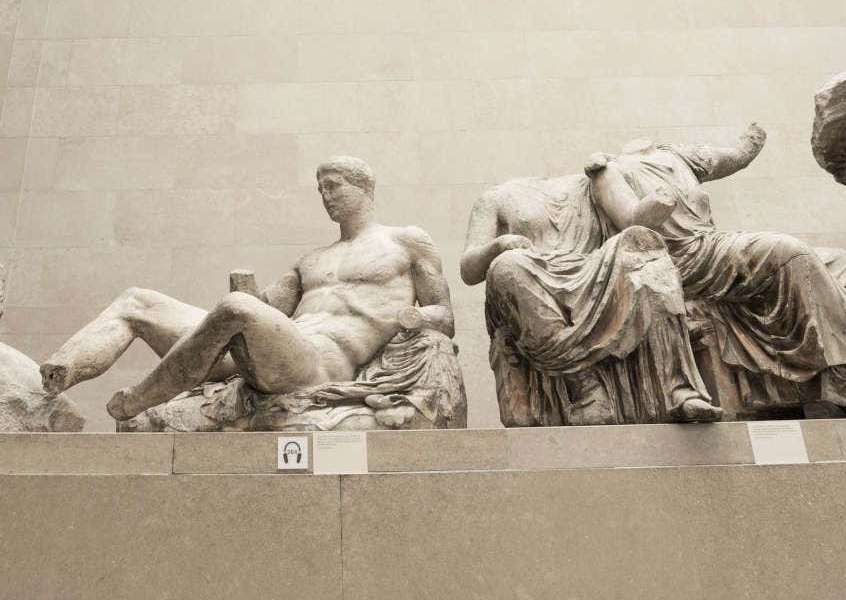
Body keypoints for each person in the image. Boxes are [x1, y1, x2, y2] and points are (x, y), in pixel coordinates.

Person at [41, 156, 464, 425]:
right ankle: (57, 374)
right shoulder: (311, 260)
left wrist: (416, 318)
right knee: (139, 300)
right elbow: (266, 309)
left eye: (333, 185)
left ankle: (139, 400)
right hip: (270, 354)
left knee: (237, 308)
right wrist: (249, 294)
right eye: (320, 189)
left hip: (321, 366)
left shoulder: (406, 241)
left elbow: (444, 315)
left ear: (363, 188)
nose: (325, 196)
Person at [586, 124, 846, 416]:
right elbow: (633, 225)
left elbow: (736, 156)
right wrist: (656, 205)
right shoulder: (608, 170)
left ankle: (834, 384)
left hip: (714, 247)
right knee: (787, 251)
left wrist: (754, 137)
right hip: (682, 260)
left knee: (841, 263)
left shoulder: (678, 157)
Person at [461, 172, 722, 426]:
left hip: (595, 273)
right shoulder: (496, 197)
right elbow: (469, 270)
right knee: (508, 265)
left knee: (644, 245)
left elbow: (632, 220)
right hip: (534, 276)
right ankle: (583, 384)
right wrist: (498, 246)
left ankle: (677, 388)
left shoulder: (598, 181)